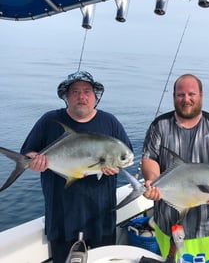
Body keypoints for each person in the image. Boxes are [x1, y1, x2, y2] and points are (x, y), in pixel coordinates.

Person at [20, 71, 133, 263]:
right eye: (75, 92)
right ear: (66, 96)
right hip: (62, 216)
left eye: (87, 91)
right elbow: (27, 154)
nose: (81, 96)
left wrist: (115, 167)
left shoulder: (110, 122)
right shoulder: (49, 121)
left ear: (95, 97)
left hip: (101, 217)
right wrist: (34, 162)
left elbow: (125, 156)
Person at [141, 74, 209, 260]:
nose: (186, 99)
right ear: (173, 96)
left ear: (201, 95)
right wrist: (152, 181)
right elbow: (150, 159)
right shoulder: (159, 126)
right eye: (180, 94)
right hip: (167, 221)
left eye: (191, 94)